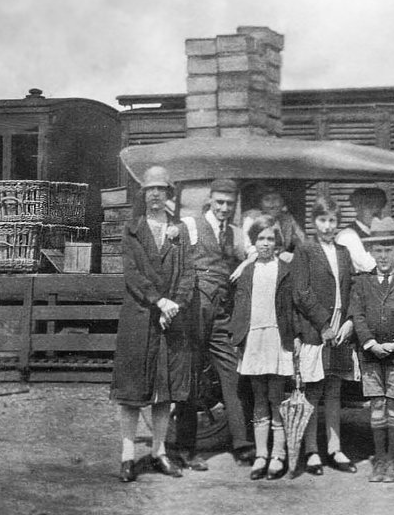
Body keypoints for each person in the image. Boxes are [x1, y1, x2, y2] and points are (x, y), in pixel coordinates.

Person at [110, 166, 196, 482]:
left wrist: (176, 303)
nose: (156, 194)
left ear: (169, 195)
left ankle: (159, 452)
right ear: (143, 194)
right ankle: (128, 456)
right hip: (140, 317)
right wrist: (158, 301)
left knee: (165, 392)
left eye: (161, 189)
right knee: (132, 391)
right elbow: (133, 274)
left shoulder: (180, 231)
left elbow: (188, 272)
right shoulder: (131, 230)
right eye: (150, 189)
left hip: (170, 320)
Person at [174, 178, 256, 470]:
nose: (224, 208)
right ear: (210, 200)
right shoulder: (191, 225)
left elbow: (256, 253)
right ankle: (185, 449)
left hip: (221, 314)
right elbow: (171, 256)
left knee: (232, 374)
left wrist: (245, 264)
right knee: (191, 377)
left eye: (229, 204)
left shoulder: (235, 233)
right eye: (219, 202)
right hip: (194, 310)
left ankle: (243, 444)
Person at [349, 217, 394, 484]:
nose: (382, 256)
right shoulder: (362, 283)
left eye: (388, 250)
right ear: (370, 252)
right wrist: (369, 342)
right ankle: (379, 458)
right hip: (370, 355)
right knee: (376, 406)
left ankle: (392, 458)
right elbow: (357, 315)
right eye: (378, 250)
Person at [291, 195, 358, 476]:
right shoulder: (305, 250)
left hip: (339, 328)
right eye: (322, 220)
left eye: (332, 220)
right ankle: (312, 451)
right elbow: (301, 292)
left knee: (334, 390)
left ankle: (335, 448)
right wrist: (323, 324)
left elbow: (352, 287)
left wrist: (349, 321)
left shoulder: (343, 252)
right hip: (316, 330)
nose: (328, 226)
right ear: (314, 222)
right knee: (313, 390)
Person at [227, 215, 295, 481]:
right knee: (258, 399)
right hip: (254, 337)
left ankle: (278, 454)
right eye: (261, 239)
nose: (266, 243)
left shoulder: (286, 269)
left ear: (277, 242)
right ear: (254, 242)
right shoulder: (247, 270)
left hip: (278, 337)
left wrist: (296, 338)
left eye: (270, 239)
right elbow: (239, 306)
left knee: (277, 397)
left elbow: (293, 306)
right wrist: (238, 338)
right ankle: (261, 454)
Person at [240, 185, 305, 258]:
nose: (272, 204)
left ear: (282, 201)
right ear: (260, 203)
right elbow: (247, 247)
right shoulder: (252, 217)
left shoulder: (287, 218)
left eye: (276, 199)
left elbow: (301, 240)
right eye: (267, 200)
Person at [335, 187, 388, 274]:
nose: (376, 211)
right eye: (370, 206)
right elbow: (368, 266)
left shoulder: (379, 235)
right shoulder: (348, 236)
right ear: (358, 208)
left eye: (379, 206)